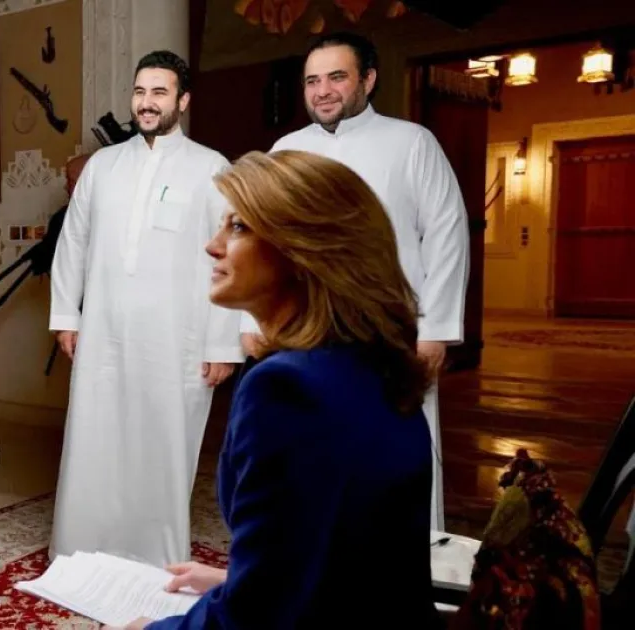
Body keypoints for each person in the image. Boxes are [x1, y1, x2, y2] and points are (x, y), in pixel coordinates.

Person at [107, 150, 440, 629]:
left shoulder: (288, 389)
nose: (213, 246)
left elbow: (251, 622)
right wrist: (237, 579)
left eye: (238, 227)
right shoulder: (377, 365)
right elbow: (351, 557)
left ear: (302, 251)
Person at [240, 32, 469, 531]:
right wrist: (251, 320)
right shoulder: (286, 151)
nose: (322, 91)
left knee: (391, 456)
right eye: (312, 81)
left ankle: (403, 562)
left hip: (385, 332)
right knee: (306, 452)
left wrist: (435, 329)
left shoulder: (412, 143)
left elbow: (447, 233)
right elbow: (259, 240)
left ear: (368, 79)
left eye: (336, 77)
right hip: (302, 332)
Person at [49, 50, 244, 568]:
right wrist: (67, 315)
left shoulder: (211, 167)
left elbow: (234, 254)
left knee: (163, 448)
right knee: (96, 441)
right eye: (140, 91)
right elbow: (73, 242)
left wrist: (223, 343)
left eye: (159, 92)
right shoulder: (103, 167)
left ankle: (154, 561)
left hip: (176, 339)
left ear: (183, 100)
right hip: (104, 332)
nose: (147, 102)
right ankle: (80, 553)